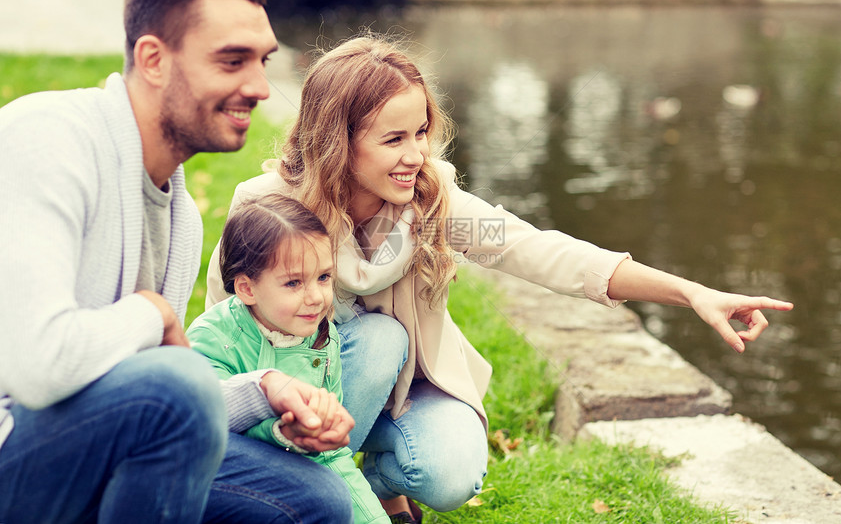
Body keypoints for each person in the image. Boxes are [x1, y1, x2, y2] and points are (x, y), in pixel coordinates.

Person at [205, 34, 795, 522]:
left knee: (452, 472)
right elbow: (223, 327)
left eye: (421, 133)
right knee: (378, 342)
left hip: (402, 388)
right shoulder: (267, 209)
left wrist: (692, 293)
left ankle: (380, 479)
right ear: (339, 143)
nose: (416, 155)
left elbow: (537, 250)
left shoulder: (431, 203)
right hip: (289, 398)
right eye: (393, 140)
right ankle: (315, 488)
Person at [0, 0, 354, 523]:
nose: (261, 87)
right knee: (177, 382)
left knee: (317, 502)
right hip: (12, 446)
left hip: (88, 440)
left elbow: (150, 403)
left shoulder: (180, 214)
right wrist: (151, 311)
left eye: (262, 61)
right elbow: (40, 369)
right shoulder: (48, 140)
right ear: (154, 60)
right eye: (231, 60)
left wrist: (266, 389)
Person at [188, 194, 389, 524]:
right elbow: (206, 431)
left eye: (324, 277)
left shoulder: (323, 337)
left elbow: (333, 456)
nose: (316, 298)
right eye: (294, 282)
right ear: (247, 289)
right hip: (225, 480)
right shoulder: (214, 338)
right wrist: (280, 432)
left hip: (303, 466)